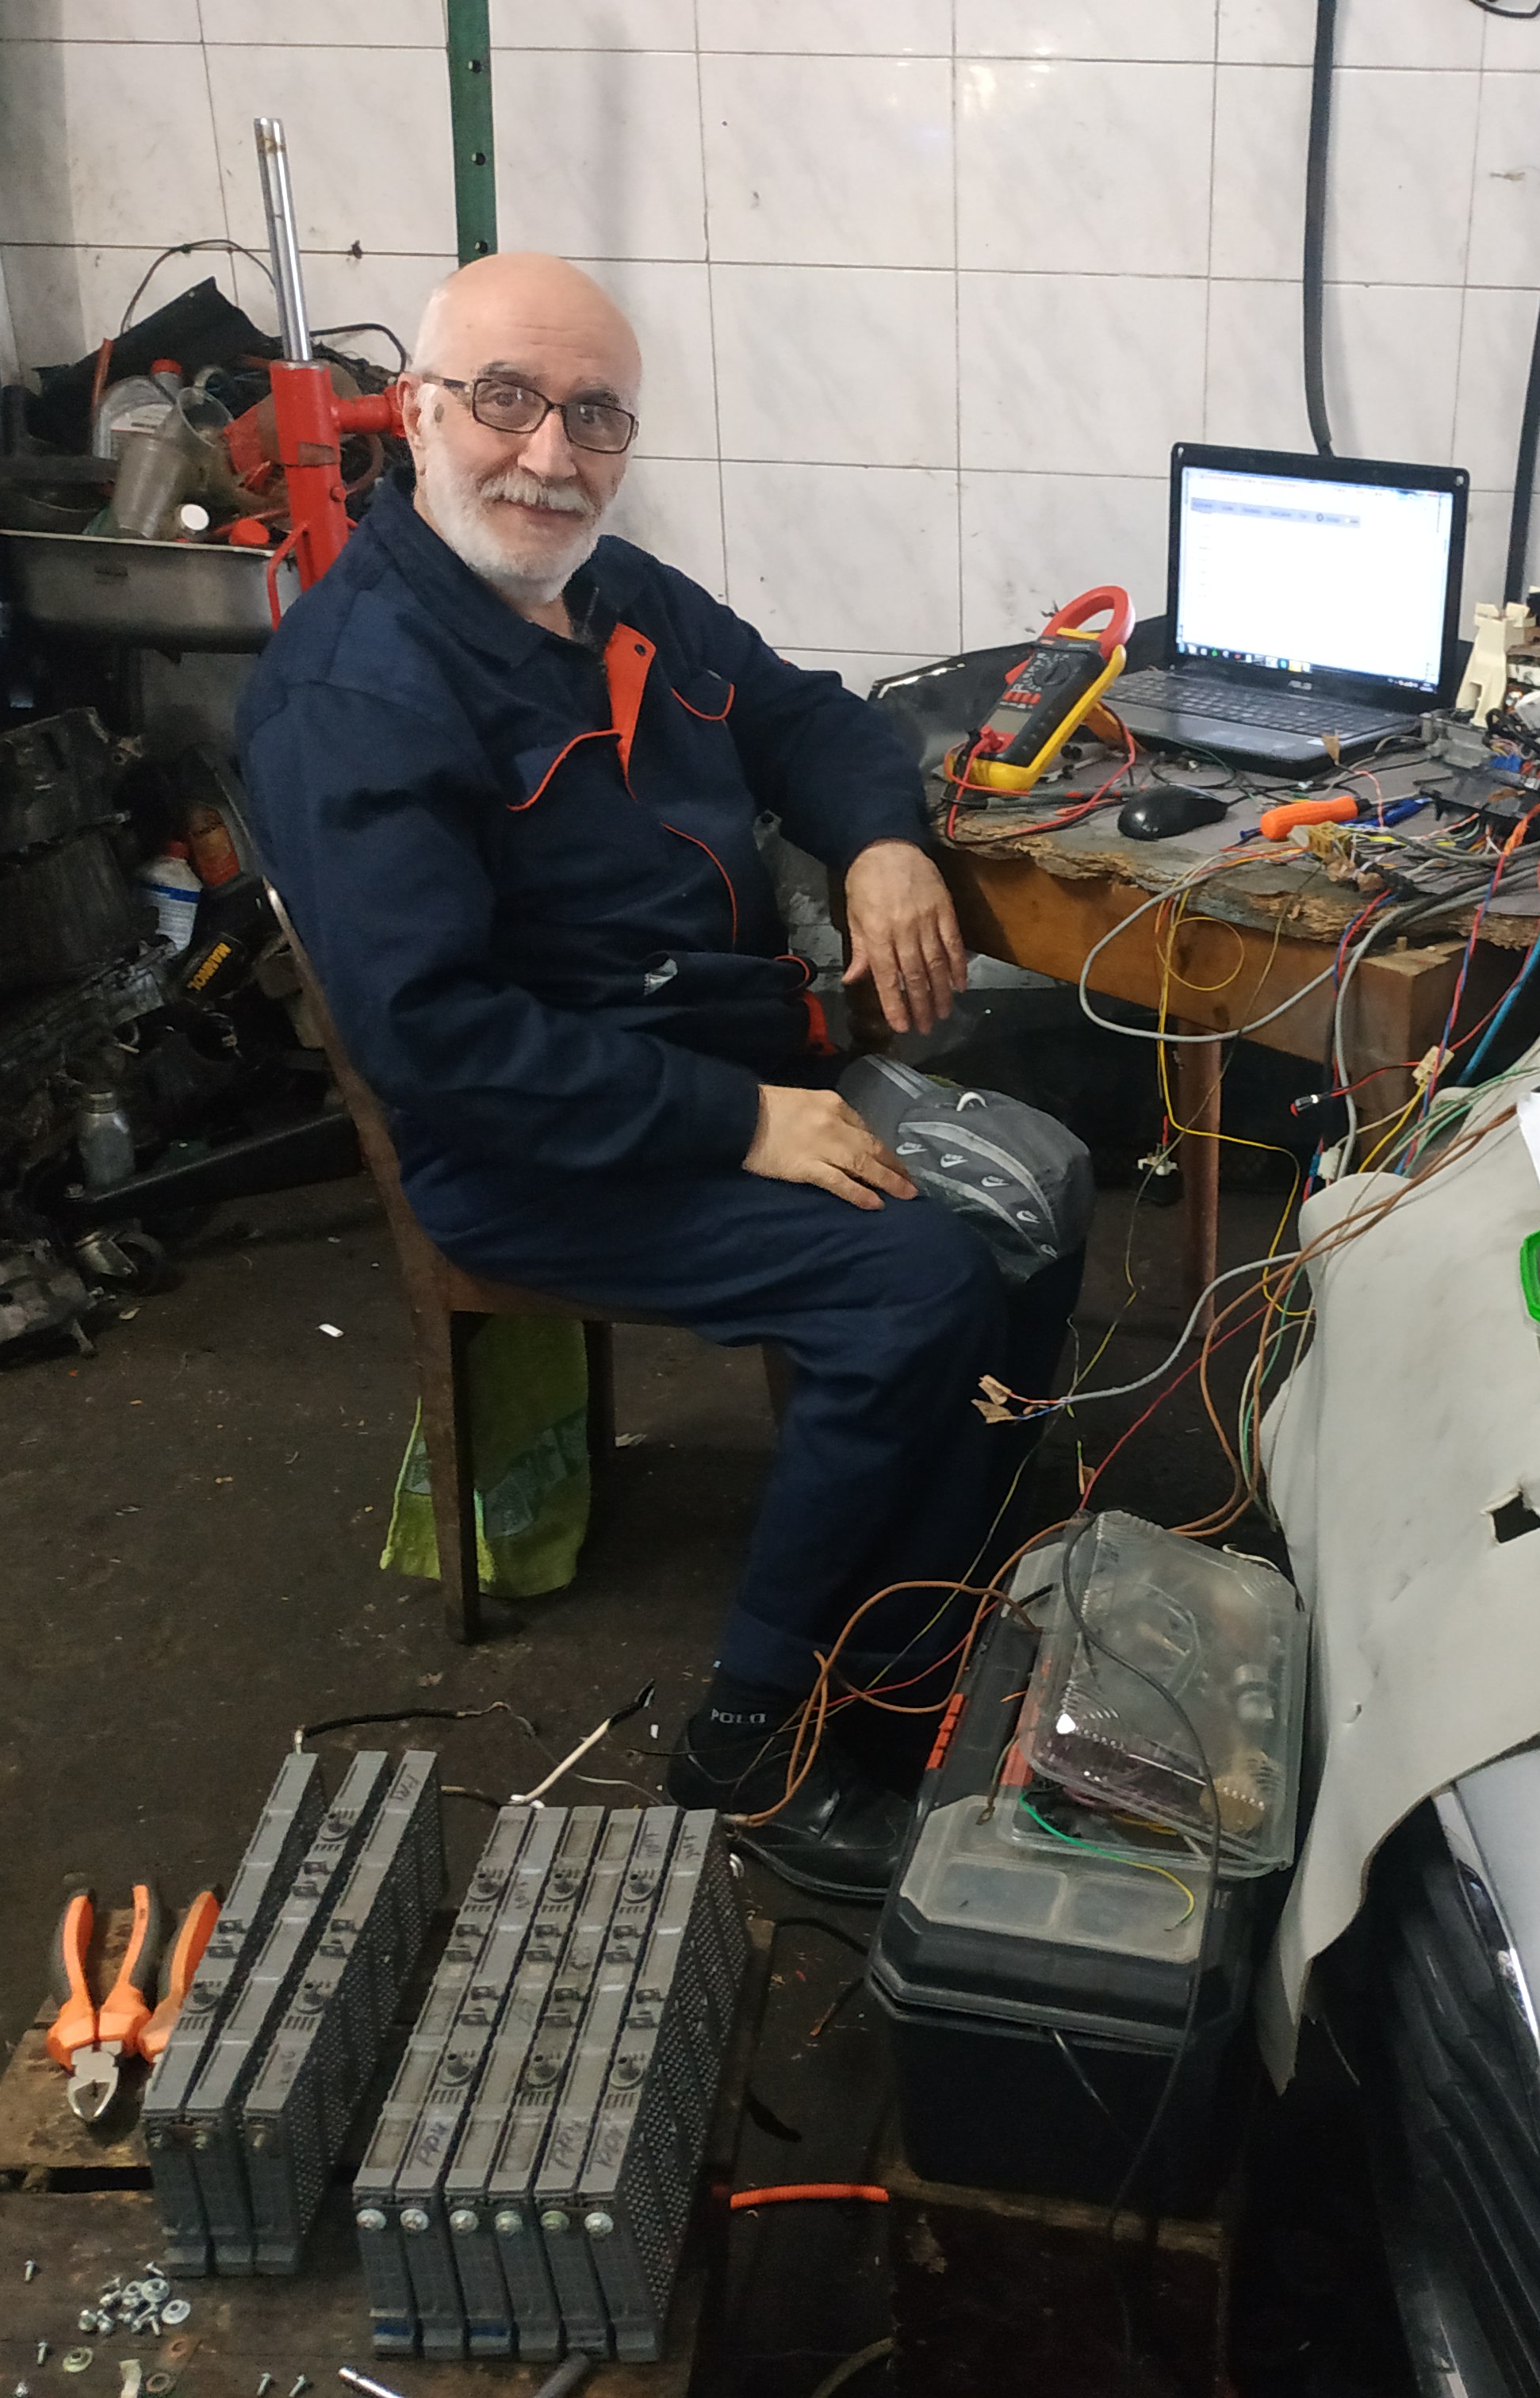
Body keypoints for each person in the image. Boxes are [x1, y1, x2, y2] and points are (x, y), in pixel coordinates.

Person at [238, 252, 1082, 1896]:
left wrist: (884, 844)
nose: (549, 454)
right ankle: (752, 1740)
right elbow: (437, 1037)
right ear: (415, 413)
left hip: (710, 1052)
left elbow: (809, 717)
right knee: (909, 1282)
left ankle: (916, 1637)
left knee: (1038, 1194)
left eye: (596, 415)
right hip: (534, 1140)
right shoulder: (361, 692)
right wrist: (739, 1119)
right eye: (505, 401)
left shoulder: (617, 594)